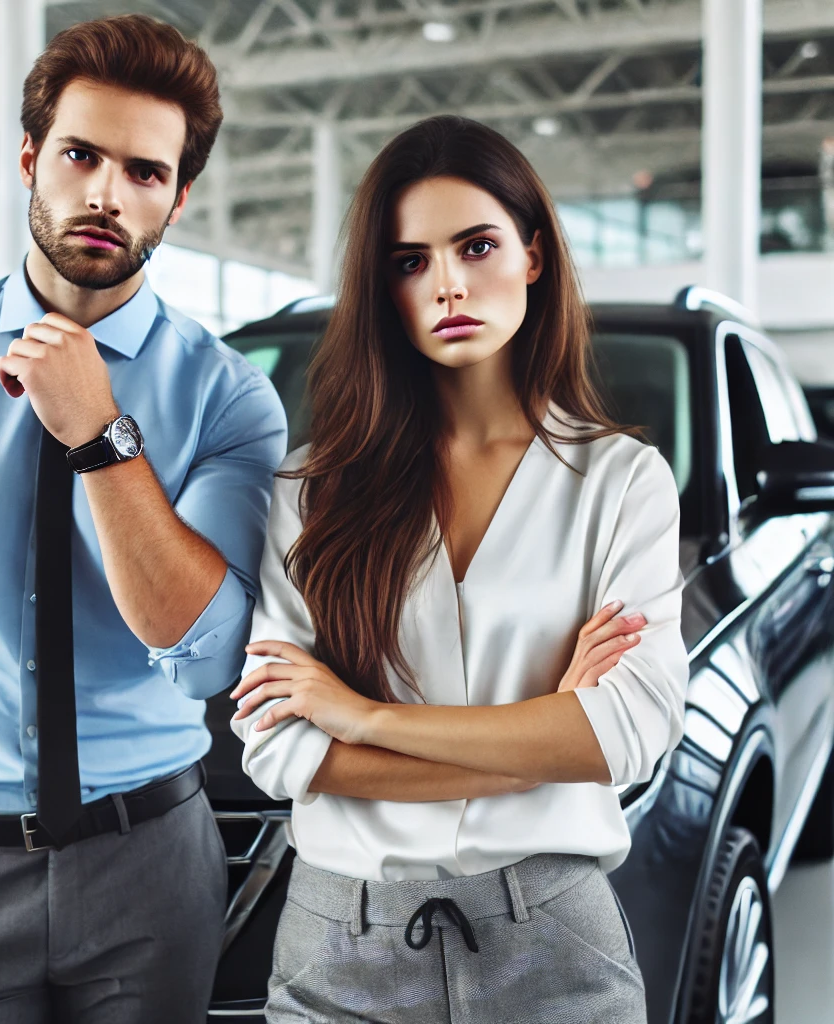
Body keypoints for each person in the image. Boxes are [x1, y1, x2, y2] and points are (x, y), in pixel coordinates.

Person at [0, 14, 286, 1024]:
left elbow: (200, 660)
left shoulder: (230, 399)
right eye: (81, 155)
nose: (107, 194)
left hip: (151, 873)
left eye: (145, 173)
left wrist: (102, 433)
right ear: (31, 160)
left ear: (178, 197)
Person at [230, 114, 687, 1023]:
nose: (447, 285)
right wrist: (544, 737)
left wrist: (364, 718)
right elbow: (280, 747)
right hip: (340, 950)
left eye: (476, 246)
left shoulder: (621, 481)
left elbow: (627, 732)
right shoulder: (310, 492)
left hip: (556, 943)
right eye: (409, 261)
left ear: (534, 255)